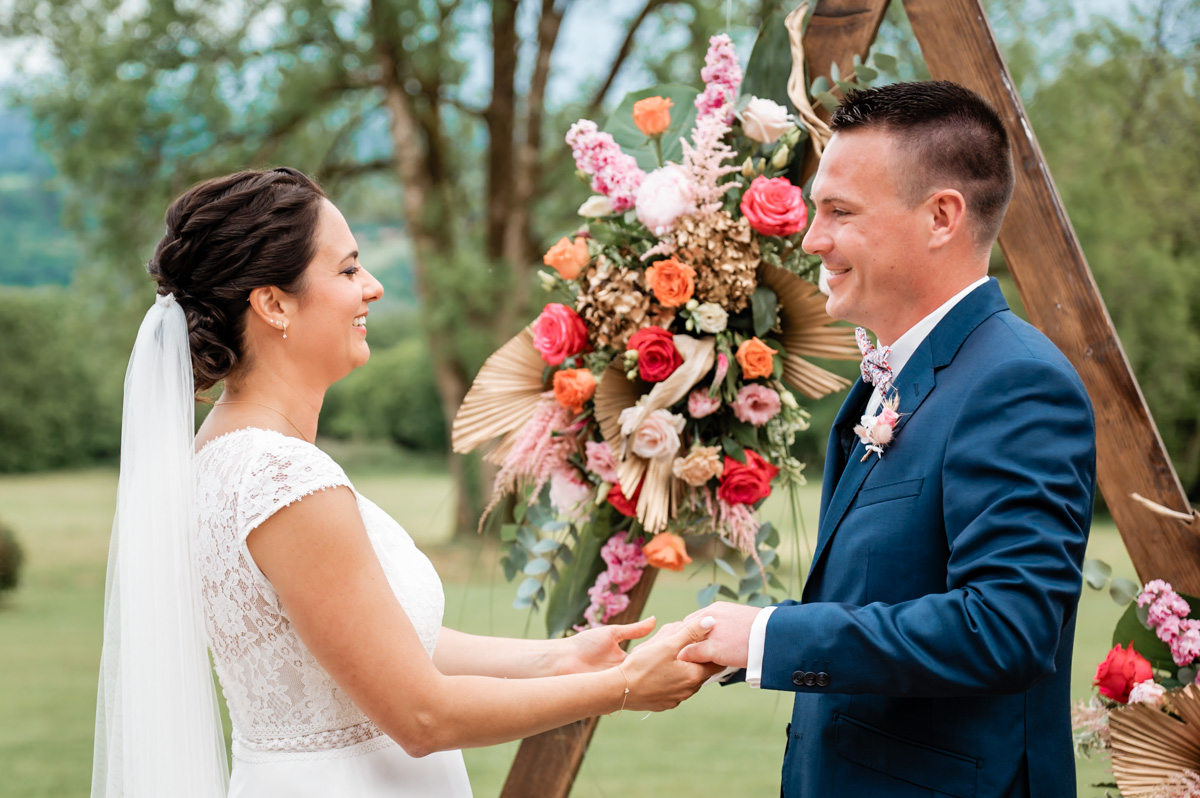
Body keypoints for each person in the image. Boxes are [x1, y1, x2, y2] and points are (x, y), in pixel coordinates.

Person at [91, 167, 721, 798]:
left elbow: (375, 643)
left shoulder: (218, 459)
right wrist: (625, 686)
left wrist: (557, 659)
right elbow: (423, 716)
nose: (373, 287)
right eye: (347, 270)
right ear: (273, 303)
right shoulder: (282, 480)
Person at [678, 81, 1097, 797]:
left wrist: (767, 637)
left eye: (839, 212)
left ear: (940, 217)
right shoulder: (888, 381)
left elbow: (1005, 626)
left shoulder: (1017, 383)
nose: (813, 239)